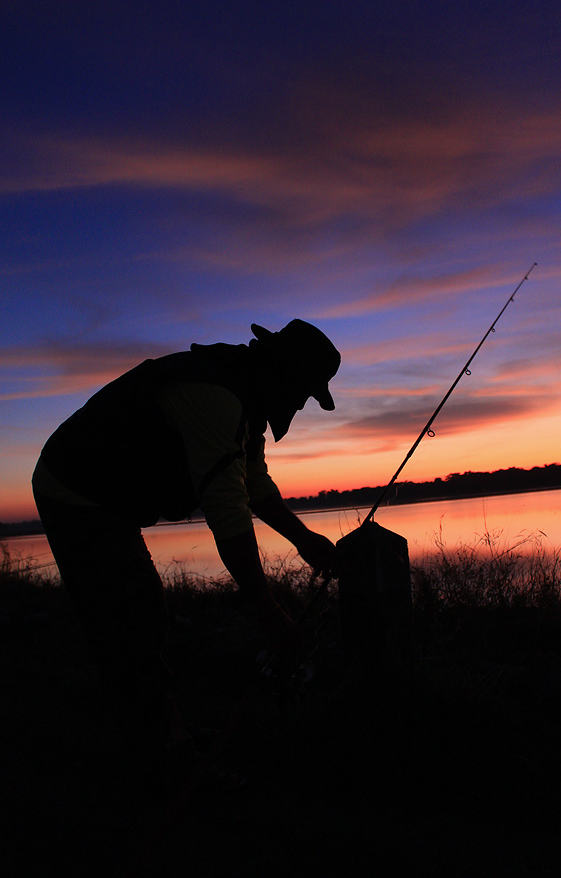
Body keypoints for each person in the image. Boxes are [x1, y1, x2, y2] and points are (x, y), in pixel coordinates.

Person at [32, 319, 341, 787]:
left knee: (142, 614)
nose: (301, 403)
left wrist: (305, 541)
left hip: (106, 495)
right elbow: (228, 513)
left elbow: (252, 482)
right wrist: (270, 613)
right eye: (304, 391)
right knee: (130, 617)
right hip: (75, 488)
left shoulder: (245, 398)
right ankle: (163, 758)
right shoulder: (217, 395)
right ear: (285, 372)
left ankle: (164, 733)